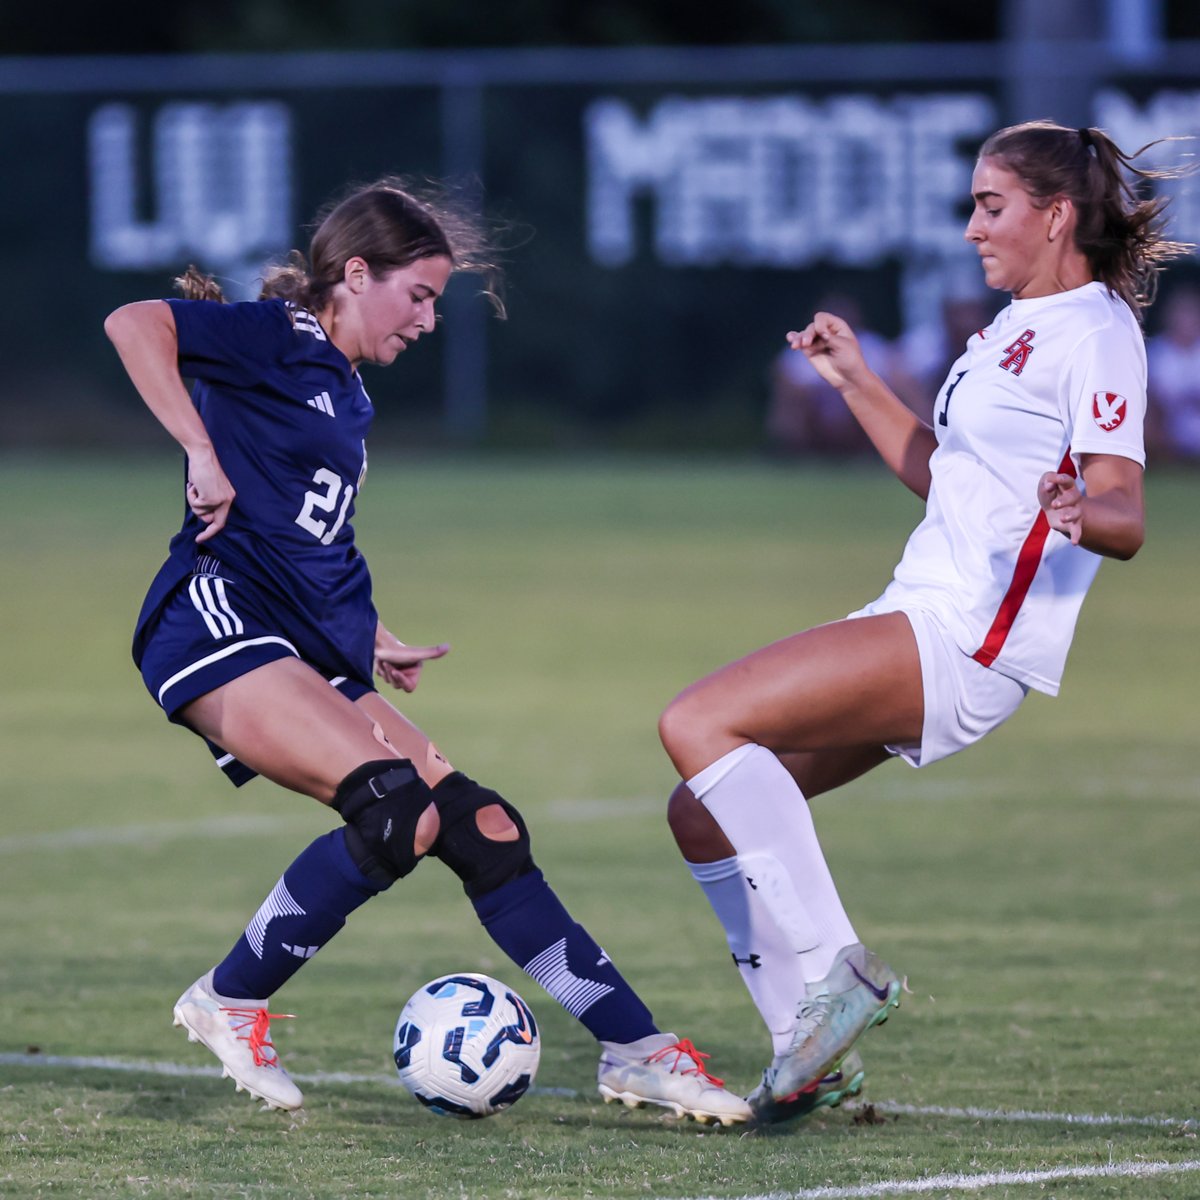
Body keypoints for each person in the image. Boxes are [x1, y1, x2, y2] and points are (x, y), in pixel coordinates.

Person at [105, 176, 750, 1125]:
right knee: (390, 808)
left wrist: (369, 634)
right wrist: (198, 450)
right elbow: (134, 324)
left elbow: (307, 534)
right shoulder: (282, 334)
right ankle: (229, 999)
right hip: (212, 619)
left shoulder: (344, 390)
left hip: (298, 638)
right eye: (419, 295)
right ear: (356, 275)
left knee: (483, 830)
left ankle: (637, 1051)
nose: (429, 320)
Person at [657, 121, 1187, 1124]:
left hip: (969, 636)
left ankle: (838, 971)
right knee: (701, 811)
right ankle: (809, 1052)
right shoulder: (1012, 328)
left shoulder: (1095, 331)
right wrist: (856, 379)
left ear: (1056, 216)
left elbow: (1124, 508)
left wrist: (1084, 511)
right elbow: (947, 477)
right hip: (921, 611)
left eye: (991, 206)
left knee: (695, 721)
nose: (972, 227)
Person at [1146, 283, 1200, 462]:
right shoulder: (1157, 351)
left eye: (1191, 315)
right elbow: (1151, 398)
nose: (1186, 321)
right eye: (1181, 315)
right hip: (1168, 424)